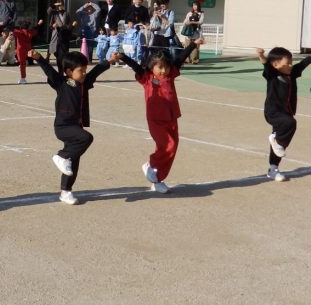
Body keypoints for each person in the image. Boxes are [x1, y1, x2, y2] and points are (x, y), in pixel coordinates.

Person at [29, 48, 115, 205]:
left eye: (85, 70)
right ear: (69, 71)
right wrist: (39, 58)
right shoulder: (62, 83)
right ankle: (61, 155)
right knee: (86, 138)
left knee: (73, 161)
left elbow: (96, 72)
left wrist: (108, 61)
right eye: (80, 71)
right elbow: (50, 72)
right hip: (63, 127)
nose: (84, 73)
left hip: (76, 126)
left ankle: (66, 191)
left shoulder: (84, 83)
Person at [118, 41, 201, 193]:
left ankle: (158, 179)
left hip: (172, 117)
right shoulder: (147, 77)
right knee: (167, 146)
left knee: (172, 147)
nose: (163, 70)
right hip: (156, 120)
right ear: (152, 66)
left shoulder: (170, 75)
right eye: (160, 67)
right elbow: (136, 67)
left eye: (166, 67)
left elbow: (180, 58)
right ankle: (150, 165)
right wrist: (123, 57)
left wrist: (193, 45)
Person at [255, 46, 311, 182]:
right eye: (287, 63)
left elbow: (305, 63)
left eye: (291, 62)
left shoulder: (292, 73)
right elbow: (266, 65)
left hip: (286, 112)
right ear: (276, 65)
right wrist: (261, 56)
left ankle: (273, 169)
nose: (290, 65)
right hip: (273, 112)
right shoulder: (272, 74)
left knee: (280, 145)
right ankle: (276, 141)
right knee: (289, 124)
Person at [13, 19, 42, 84]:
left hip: (20, 50)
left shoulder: (19, 32)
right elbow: (35, 29)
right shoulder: (30, 32)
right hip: (28, 48)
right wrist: (39, 24)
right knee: (31, 59)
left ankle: (23, 78)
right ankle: (28, 61)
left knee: (22, 64)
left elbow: (13, 30)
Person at [48, 1, 75, 71]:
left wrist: (69, 27)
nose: (60, 6)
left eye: (61, 5)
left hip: (64, 32)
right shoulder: (54, 12)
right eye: (59, 5)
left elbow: (69, 23)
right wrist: (54, 4)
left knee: (64, 49)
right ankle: (51, 57)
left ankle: (62, 63)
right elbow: (48, 11)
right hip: (56, 32)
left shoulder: (67, 13)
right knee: (53, 46)